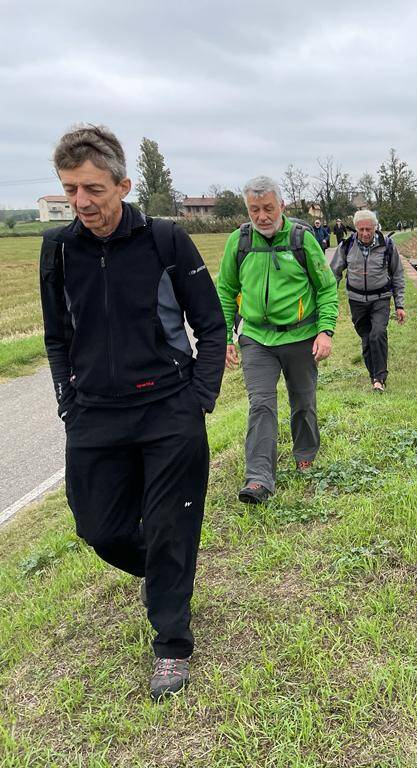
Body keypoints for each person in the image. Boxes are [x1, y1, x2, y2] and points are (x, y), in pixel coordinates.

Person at [39, 124, 226, 701]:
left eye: (92, 188)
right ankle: (168, 574)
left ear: (122, 185)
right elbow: (55, 336)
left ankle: (172, 644)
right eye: (70, 189)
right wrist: (68, 401)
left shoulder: (166, 241)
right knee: (97, 527)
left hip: (169, 409)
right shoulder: (59, 249)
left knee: (170, 525)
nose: (81, 202)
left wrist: (199, 399)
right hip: (95, 415)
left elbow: (211, 327)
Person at [216, 177, 339, 504]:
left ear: (281, 206)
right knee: (261, 404)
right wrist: (227, 335)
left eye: (268, 208)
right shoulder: (238, 242)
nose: (262, 216)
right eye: (254, 210)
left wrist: (325, 331)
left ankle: (305, 453)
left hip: (301, 336)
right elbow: (226, 291)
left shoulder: (302, 240)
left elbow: (326, 288)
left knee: (303, 399)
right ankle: (258, 478)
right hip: (256, 338)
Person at [330, 209, 406, 392]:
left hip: (380, 299)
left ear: (375, 228)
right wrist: (328, 301)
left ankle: (379, 379)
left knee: (377, 334)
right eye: (361, 229)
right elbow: (333, 274)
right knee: (366, 339)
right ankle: (374, 376)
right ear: (356, 228)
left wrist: (400, 304)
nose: (365, 233)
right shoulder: (346, 246)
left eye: (369, 229)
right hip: (356, 301)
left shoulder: (387, 245)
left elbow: (397, 275)